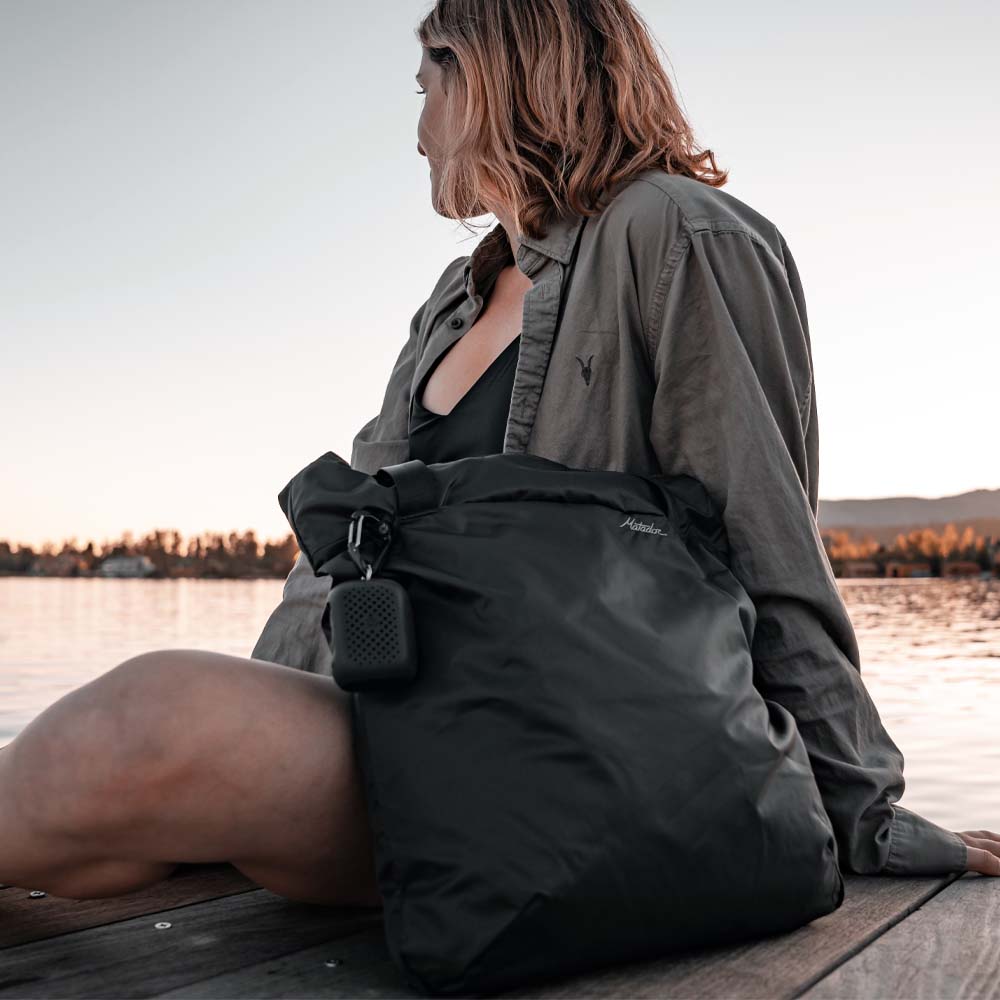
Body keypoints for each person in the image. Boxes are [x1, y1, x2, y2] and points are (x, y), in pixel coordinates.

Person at [2, 0, 997, 909]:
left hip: (585, 755)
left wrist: (861, 808)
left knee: (153, 716)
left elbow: (766, 542)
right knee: (102, 841)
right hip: (424, 733)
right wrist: (267, 708)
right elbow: (343, 555)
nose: (417, 132)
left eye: (424, 90)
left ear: (486, 72)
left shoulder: (682, 233)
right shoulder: (455, 297)